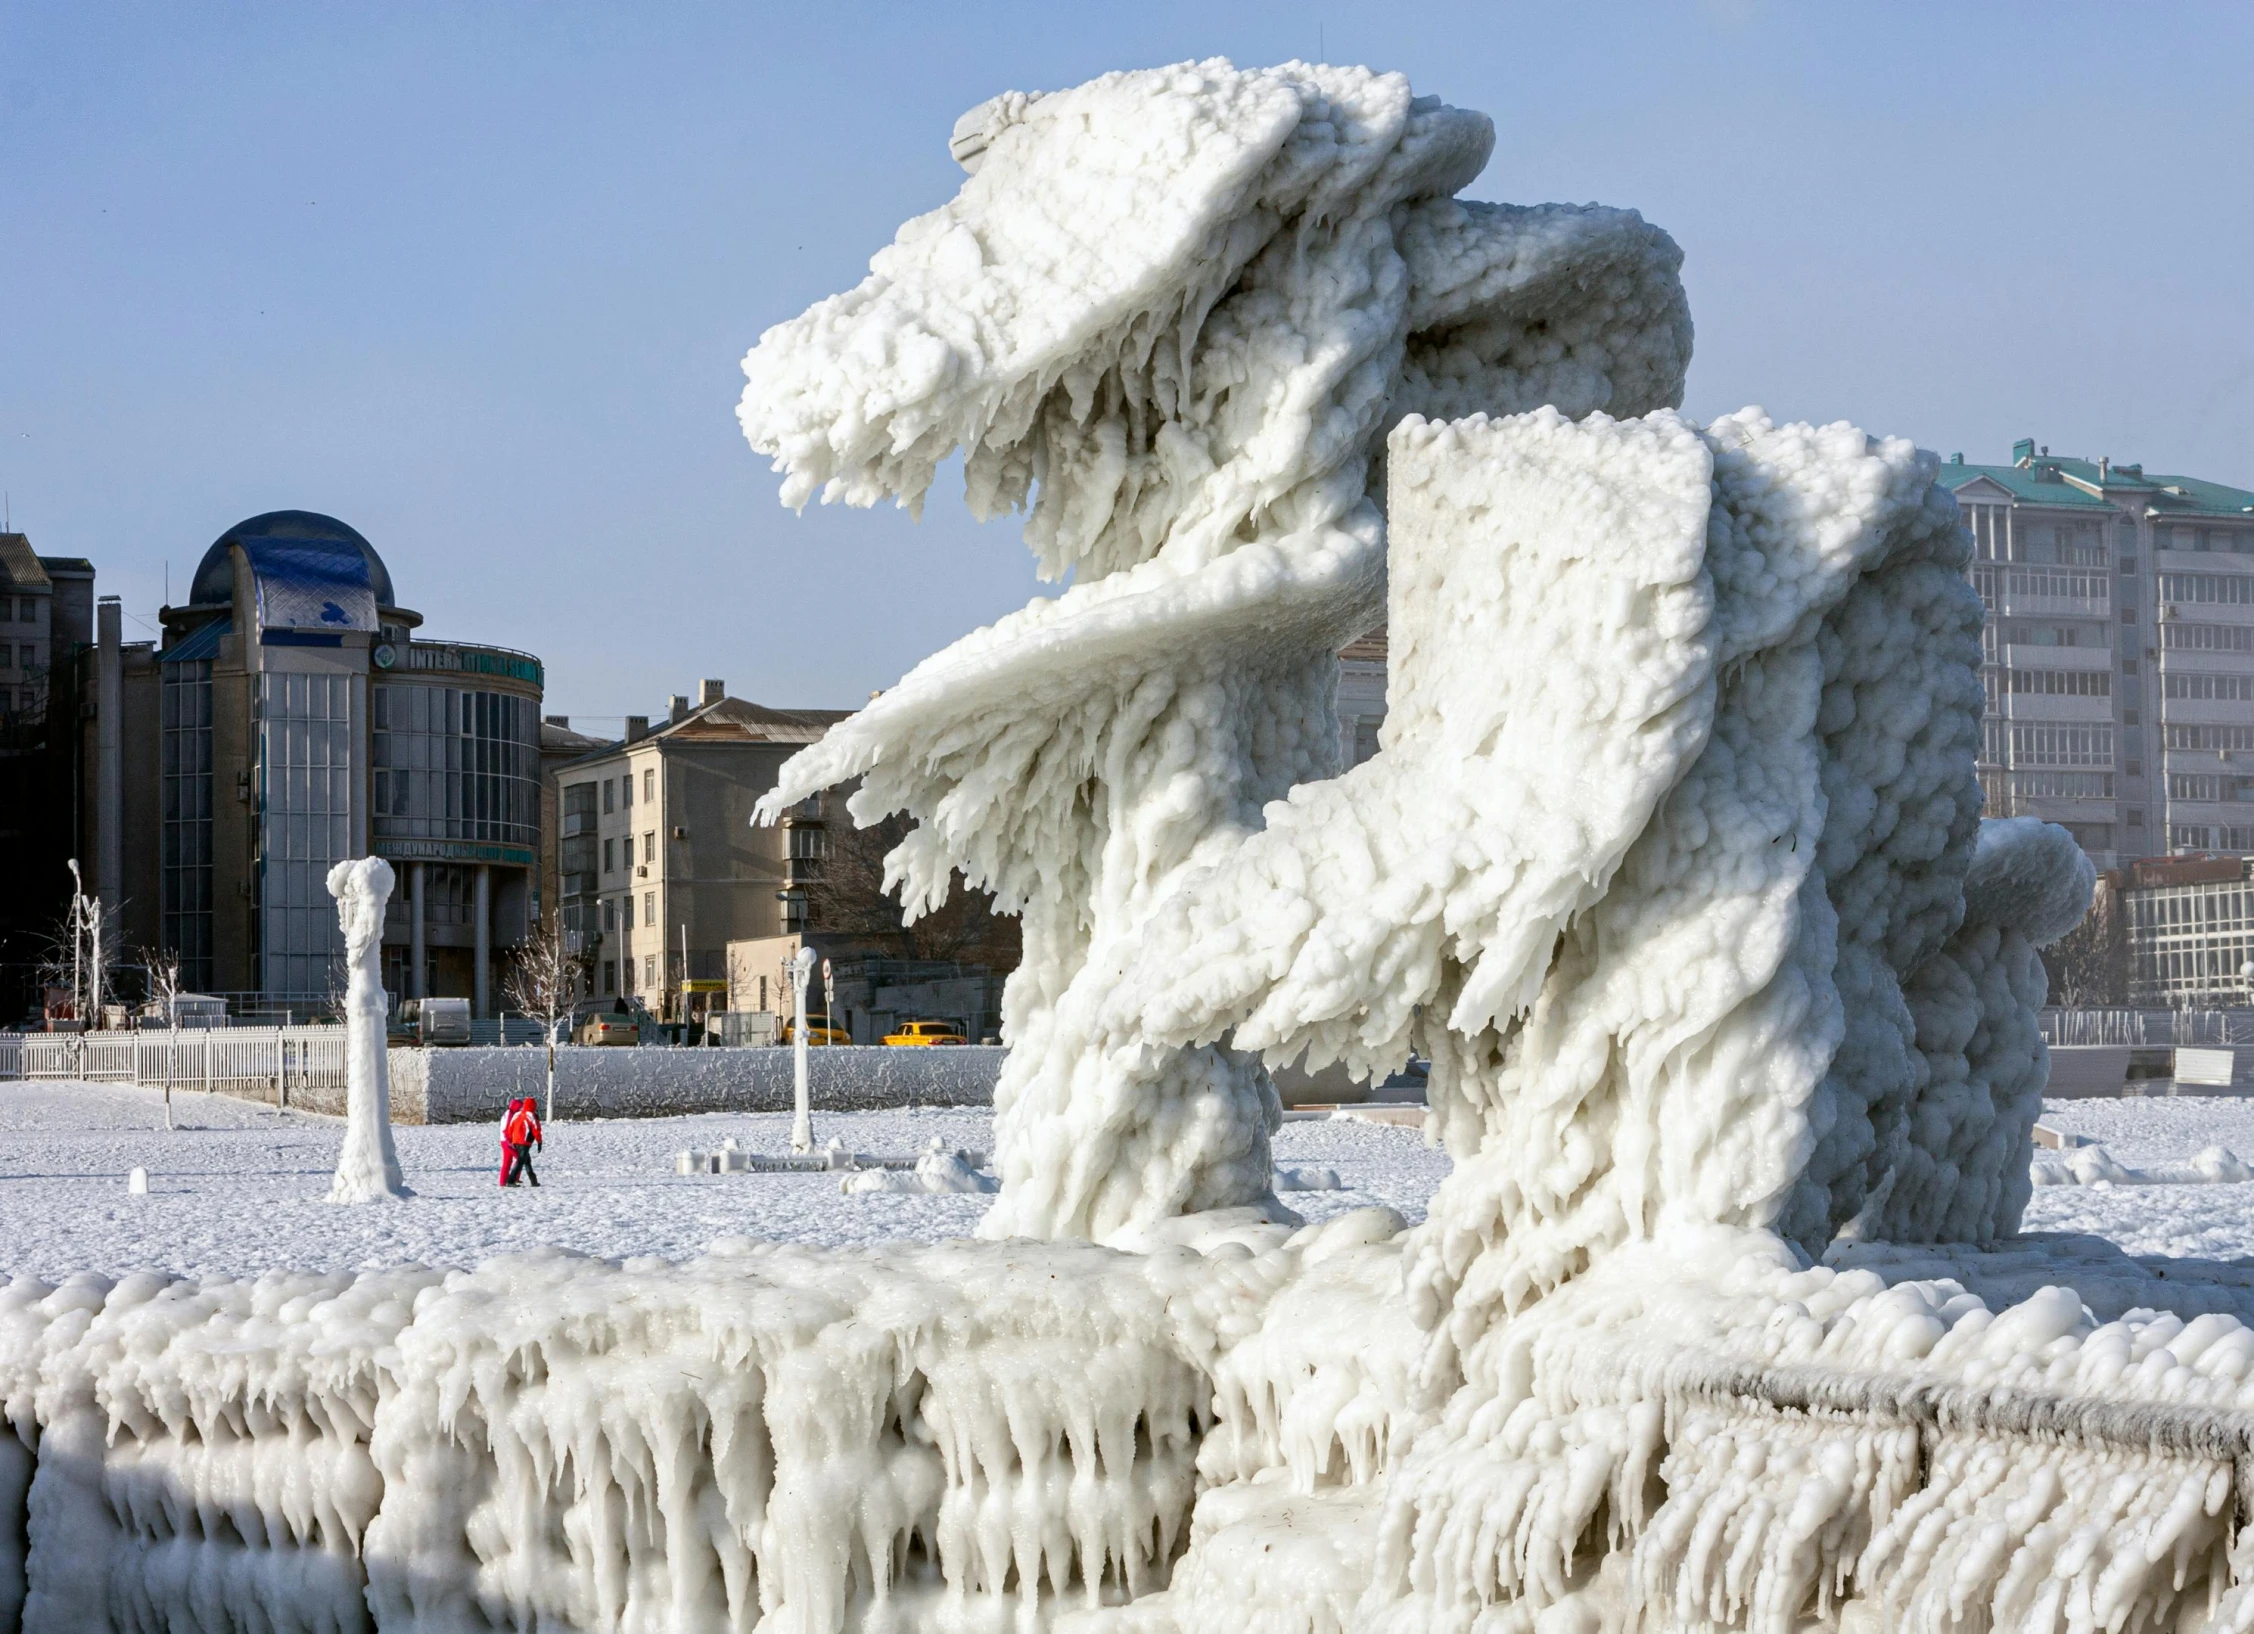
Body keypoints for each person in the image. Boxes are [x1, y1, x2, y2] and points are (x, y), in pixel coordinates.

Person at [500, 1098, 543, 1188]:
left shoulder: (517, 1114)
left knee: (526, 1161)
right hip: (524, 1142)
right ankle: (511, 1180)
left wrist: (511, 1139)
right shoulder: (531, 1115)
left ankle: (533, 1181)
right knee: (521, 1161)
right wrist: (539, 1141)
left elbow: (510, 1127)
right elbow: (536, 1129)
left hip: (515, 1141)